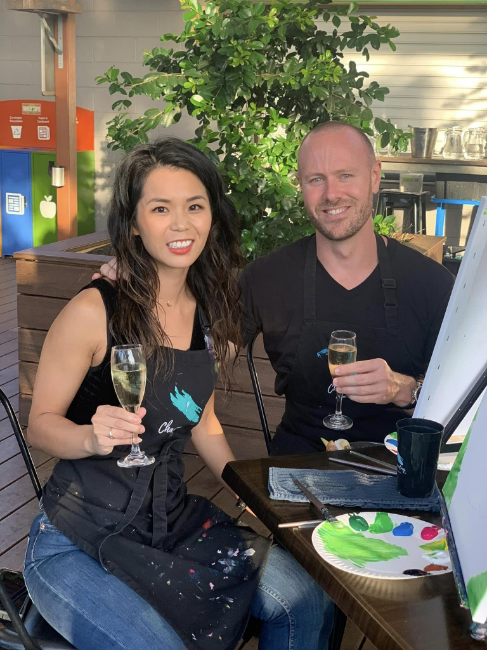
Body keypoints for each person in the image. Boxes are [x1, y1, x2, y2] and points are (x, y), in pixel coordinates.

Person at [24, 138, 333, 650]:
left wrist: (250, 494)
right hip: (77, 538)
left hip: (170, 526)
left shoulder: (209, 311)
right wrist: (89, 438)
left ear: (212, 215)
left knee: (303, 597)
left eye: (194, 206)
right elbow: (40, 425)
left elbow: (204, 422)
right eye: (160, 209)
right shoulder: (94, 310)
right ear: (134, 222)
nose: (181, 224)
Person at [239, 121, 455, 454]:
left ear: (375, 176)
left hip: (400, 466)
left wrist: (404, 390)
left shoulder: (431, 283)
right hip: (298, 465)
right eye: (316, 179)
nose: (331, 194)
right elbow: (202, 362)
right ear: (300, 185)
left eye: (345, 175)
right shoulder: (267, 278)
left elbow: (459, 407)